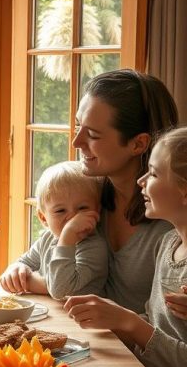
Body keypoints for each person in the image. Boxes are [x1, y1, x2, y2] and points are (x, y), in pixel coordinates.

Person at [65, 128, 187, 367]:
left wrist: (130, 323)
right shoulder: (167, 241)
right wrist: (111, 319)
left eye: (154, 174)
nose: (141, 181)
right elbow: (156, 325)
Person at [71, 68, 179, 313]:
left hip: (135, 351)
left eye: (93, 135)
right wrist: (23, 270)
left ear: (138, 143)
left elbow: (167, 328)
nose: (76, 142)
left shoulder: (171, 222)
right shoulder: (85, 195)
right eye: (78, 126)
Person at [0, 160, 107, 299]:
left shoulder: (94, 247)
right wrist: (14, 269)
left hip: (81, 319)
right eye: (61, 210)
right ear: (43, 218)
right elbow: (26, 262)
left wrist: (67, 238)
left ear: (97, 210)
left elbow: (60, 290)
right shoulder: (47, 238)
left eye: (82, 208)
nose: (72, 219)